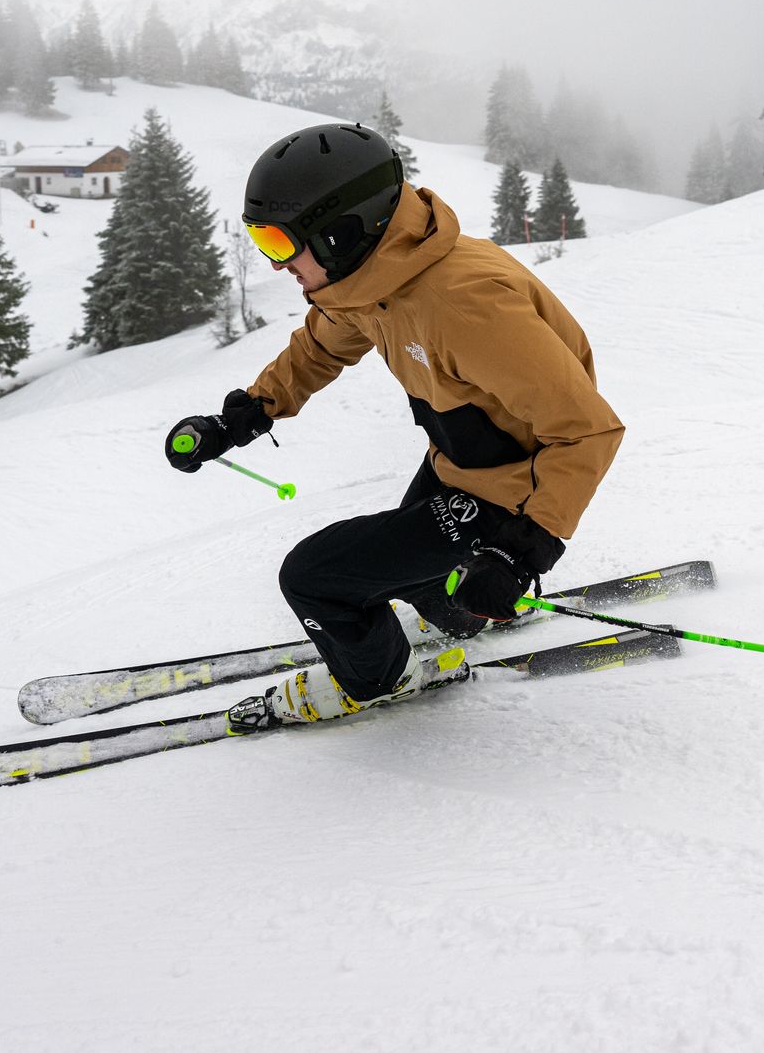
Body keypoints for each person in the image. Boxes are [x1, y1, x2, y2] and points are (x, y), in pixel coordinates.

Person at [166, 123, 623, 730]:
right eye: (261, 241)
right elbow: (319, 348)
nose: (276, 265)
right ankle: (463, 611)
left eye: (279, 243)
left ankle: (378, 680)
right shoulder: (371, 279)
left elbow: (587, 431)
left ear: (339, 232)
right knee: (421, 576)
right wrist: (243, 416)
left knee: (315, 578)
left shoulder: (465, 303)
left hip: (513, 487)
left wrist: (520, 552)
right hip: (461, 458)